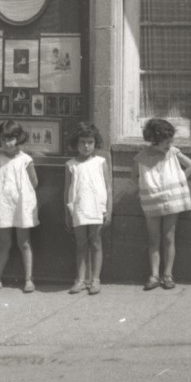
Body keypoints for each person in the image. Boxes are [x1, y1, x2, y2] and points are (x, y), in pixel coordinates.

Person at [131, 118, 191, 291]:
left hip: (171, 200)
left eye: (170, 142)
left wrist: (178, 183)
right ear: (154, 140)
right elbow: (134, 176)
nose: (169, 145)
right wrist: (146, 188)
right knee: (153, 238)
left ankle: (168, 274)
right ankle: (154, 275)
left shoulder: (173, 153)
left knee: (169, 237)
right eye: (166, 142)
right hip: (152, 201)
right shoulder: (142, 157)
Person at [0, 119, 39, 294]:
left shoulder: (25, 160)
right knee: (4, 243)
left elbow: (34, 182)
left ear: (19, 138)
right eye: (4, 139)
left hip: (21, 205)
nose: (7, 143)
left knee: (24, 242)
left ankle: (29, 279)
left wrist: (23, 197)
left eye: (11, 139)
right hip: (4, 205)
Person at [63, 122, 112, 295]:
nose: (86, 146)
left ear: (95, 143)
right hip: (79, 209)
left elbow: (108, 188)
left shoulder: (100, 162)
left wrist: (109, 210)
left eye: (90, 142)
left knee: (96, 243)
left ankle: (95, 279)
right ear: (76, 143)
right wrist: (67, 214)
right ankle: (81, 279)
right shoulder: (71, 165)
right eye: (82, 142)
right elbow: (67, 190)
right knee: (81, 245)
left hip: (97, 208)